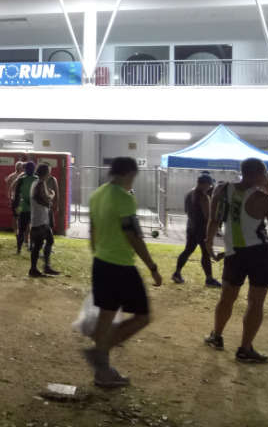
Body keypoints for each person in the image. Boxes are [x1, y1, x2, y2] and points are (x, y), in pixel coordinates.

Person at [84, 156, 162, 388]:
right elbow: (133, 236)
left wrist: (98, 252)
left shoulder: (97, 195)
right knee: (142, 316)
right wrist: (152, 267)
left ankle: (103, 372)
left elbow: (92, 230)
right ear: (129, 173)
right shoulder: (124, 198)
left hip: (101, 263)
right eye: (134, 176)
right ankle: (100, 354)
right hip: (121, 265)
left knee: (106, 316)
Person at [204, 158, 268, 363]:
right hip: (259, 253)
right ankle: (245, 348)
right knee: (256, 302)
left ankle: (216, 336)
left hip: (234, 252)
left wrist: (209, 243)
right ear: (260, 175)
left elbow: (214, 219)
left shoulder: (222, 190)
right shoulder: (262, 197)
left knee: (227, 297)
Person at [172, 173, 220, 287]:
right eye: (209, 185)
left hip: (191, 226)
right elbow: (208, 216)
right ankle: (209, 279)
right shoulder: (203, 197)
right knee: (206, 253)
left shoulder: (189, 194)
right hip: (202, 229)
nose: (210, 187)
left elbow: (186, 211)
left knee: (188, 250)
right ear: (204, 184)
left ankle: (177, 273)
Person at [28, 163, 60, 277]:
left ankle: (45, 267)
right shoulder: (40, 183)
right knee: (38, 245)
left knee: (48, 241)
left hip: (41, 219)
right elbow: (43, 200)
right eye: (49, 172)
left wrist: (49, 195)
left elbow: (43, 198)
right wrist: (52, 195)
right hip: (39, 219)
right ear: (45, 173)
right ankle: (34, 269)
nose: (50, 174)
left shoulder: (37, 183)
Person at [12, 162, 37, 254]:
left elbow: (16, 195)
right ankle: (31, 246)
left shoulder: (21, 179)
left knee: (21, 229)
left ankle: (19, 249)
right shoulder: (37, 179)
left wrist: (16, 207)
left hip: (23, 208)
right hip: (34, 209)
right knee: (33, 229)